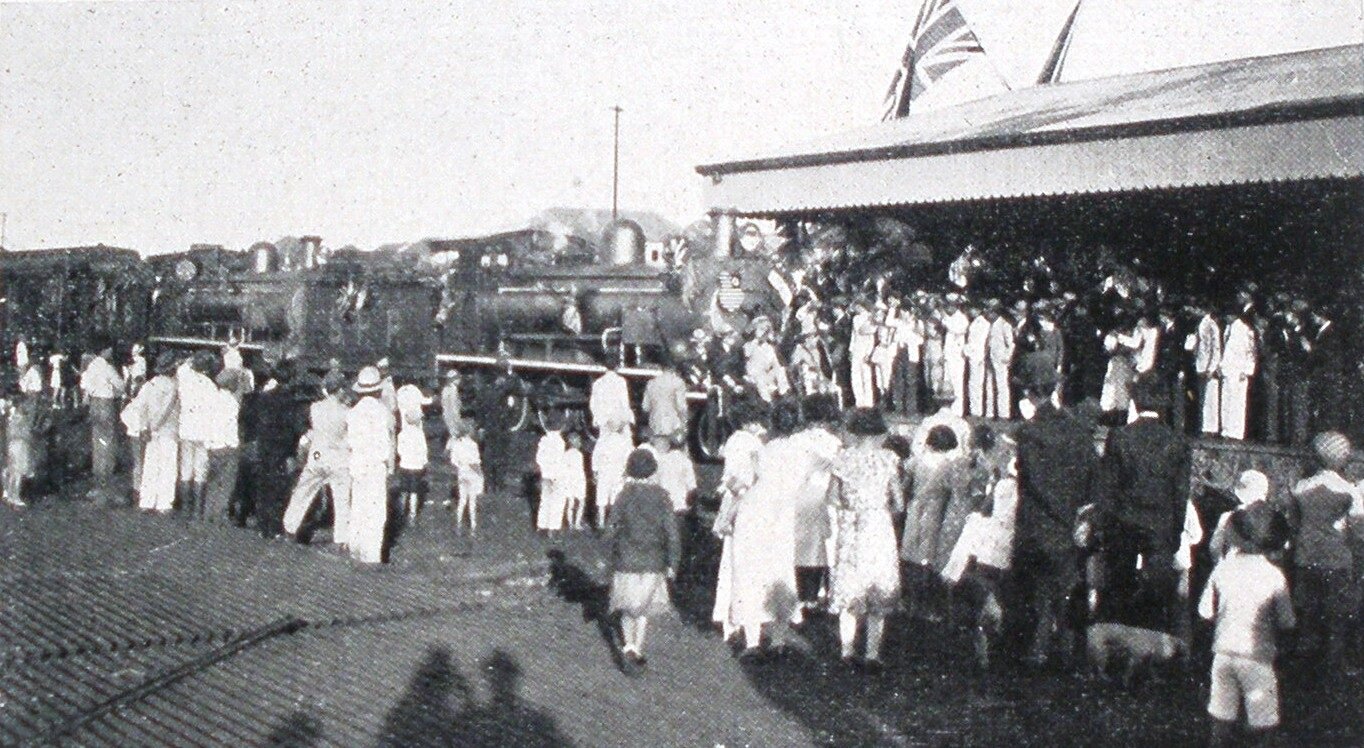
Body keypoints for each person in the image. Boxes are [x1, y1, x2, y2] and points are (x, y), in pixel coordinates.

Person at [1013, 370, 1097, 667]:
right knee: (1065, 589)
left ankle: (1036, 648)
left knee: (1037, 591)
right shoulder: (1077, 431)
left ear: (1029, 394)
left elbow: (1030, 481)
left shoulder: (1028, 431)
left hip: (1038, 523)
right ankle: (1066, 651)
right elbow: (1091, 477)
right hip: (1069, 524)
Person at [1097, 376, 1191, 636]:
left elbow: (1108, 488)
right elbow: (1180, 494)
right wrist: (1175, 533)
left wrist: (1105, 526)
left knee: (1118, 587)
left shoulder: (1120, 437)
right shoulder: (1177, 441)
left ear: (1136, 401)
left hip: (1123, 521)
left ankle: (1118, 644)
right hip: (1160, 524)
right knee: (1157, 593)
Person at [1199, 507, 1294, 748]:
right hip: (1258, 656)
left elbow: (1204, 611)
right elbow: (1287, 621)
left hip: (1223, 653)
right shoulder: (1274, 576)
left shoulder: (1222, 569)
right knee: (1263, 722)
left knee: (1221, 717)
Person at [727, 401, 816, 656]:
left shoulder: (761, 451)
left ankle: (753, 640)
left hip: (756, 513)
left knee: (750, 572)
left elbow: (740, 483)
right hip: (783, 516)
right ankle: (778, 639)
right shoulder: (803, 456)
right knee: (781, 572)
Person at [827, 408, 902, 672]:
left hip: (853, 524)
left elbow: (833, 498)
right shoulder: (888, 460)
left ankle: (847, 649)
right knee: (877, 585)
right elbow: (899, 502)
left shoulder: (844, 459)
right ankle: (872, 653)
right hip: (878, 523)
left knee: (850, 582)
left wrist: (851, 506)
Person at [1287, 431, 1359, 663]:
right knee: (1336, 612)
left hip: (1306, 555)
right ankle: (1334, 660)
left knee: (1308, 610)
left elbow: (1294, 524)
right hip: (1337, 558)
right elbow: (1358, 528)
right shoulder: (1350, 491)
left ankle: (1305, 658)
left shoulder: (1301, 488)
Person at [606, 448, 680, 670]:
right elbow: (672, 533)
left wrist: (610, 543)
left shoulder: (624, 494)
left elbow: (611, 526)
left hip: (626, 559)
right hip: (653, 560)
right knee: (643, 609)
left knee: (627, 606)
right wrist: (673, 562)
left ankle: (627, 645)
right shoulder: (662, 496)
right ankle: (637, 648)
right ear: (653, 471)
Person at [901, 425, 971, 621]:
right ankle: (929, 606)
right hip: (936, 509)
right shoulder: (949, 463)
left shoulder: (917, 460)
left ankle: (912, 603)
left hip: (916, 506)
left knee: (912, 555)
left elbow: (905, 484)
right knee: (929, 557)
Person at [711, 404, 767, 642]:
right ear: (751, 422)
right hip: (747, 503)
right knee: (747, 564)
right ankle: (743, 620)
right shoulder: (753, 444)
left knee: (730, 563)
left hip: (735, 500)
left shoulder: (734, 441)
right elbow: (748, 478)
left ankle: (728, 622)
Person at [282, 371, 351, 545]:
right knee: (342, 500)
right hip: (338, 458)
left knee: (302, 491)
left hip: (317, 454)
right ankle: (341, 538)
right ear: (340, 389)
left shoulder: (315, 408)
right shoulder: (346, 412)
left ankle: (290, 527)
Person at [791, 396, 844, 611]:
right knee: (827, 545)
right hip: (825, 496)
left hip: (800, 496)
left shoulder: (796, 439)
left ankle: (806, 594)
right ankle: (826, 590)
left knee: (803, 544)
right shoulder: (835, 442)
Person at [347, 366, 395, 563]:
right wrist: (391, 467)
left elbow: (350, 443)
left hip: (357, 464)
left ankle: (355, 549)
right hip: (376, 465)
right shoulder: (384, 413)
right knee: (375, 512)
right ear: (378, 390)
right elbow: (389, 442)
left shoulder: (352, 413)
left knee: (358, 507)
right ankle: (371, 555)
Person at [124, 352, 180, 514]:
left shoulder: (150, 385)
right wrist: (155, 426)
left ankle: (146, 501)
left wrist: (144, 427)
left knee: (150, 465)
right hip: (167, 430)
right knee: (167, 467)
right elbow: (166, 409)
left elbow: (140, 407)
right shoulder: (173, 386)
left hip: (149, 431)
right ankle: (164, 503)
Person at [79, 344, 125, 504]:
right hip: (106, 403)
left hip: (94, 404)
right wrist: (117, 391)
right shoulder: (107, 367)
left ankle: (97, 480)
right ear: (105, 349)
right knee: (108, 442)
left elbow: (84, 384)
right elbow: (120, 384)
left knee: (97, 440)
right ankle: (106, 482)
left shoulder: (91, 366)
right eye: (109, 349)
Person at [176, 351, 219, 517]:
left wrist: (189, 360)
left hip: (186, 428)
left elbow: (183, 367)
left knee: (186, 469)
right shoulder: (210, 386)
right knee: (200, 470)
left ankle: (186, 507)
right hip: (203, 431)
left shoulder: (185, 379)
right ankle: (197, 510)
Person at [201, 369, 242, 523]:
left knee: (212, 481)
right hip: (227, 446)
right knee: (226, 484)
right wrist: (233, 444)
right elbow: (230, 426)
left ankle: (208, 513)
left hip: (212, 446)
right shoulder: (231, 402)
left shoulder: (212, 398)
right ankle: (220, 515)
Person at [1218, 309, 1257, 440]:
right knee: (1226, 400)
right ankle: (1226, 429)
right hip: (1228, 369)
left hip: (1239, 370)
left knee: (1237, 401)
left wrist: (1247, 370)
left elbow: (1250, 351)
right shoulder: (1228, 329)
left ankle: (1236, 431)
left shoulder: (1244, 329)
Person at [395, 382, 430, 521]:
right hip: (416, 466)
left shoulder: (402, 434)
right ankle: (413, 513)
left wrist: (402, 457)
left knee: (404, 490)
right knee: (414, 492)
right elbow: (423, 450)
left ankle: (402, 510)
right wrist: (424, 462)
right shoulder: (419, 435)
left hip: (405, 465)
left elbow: (399, 450)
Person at [1187, 303, 1223, 436]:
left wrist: (1212, 367)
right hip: (1200, 364)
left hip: (1208, 366)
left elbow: (1216, 348)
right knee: (1203, 397)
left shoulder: (1211, 325)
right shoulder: (1199, 324)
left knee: (1210, 398)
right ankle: (1204, 426)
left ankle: (1210, 428)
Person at [640, 347, 689, 441]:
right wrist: (684, 426)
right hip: (673, 426)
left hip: (655, 425)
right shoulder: (678, 382)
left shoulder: (651, 383)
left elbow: (645, 407)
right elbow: (681, 407)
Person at [447, 420, 484, 534]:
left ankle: (458, 522)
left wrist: (460, 466)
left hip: (461, 473)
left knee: (462, 499)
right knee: (472, 500)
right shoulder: (473, 445)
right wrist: (480, 474)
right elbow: (475, 462)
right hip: (472, 473)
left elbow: (453, 460)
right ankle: (473, 524)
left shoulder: (457, 444)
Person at [535, 416, 569, 535]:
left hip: (546, 474)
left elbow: (538, 458)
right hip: (557, 474)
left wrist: (544, 469)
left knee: (545, 500)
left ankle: (541, 526)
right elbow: (559, 460)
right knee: (557, 501)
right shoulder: (560, 441)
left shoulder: (544, 440)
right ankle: (553, 528)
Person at [987, 303, 1018, 419]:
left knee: (1002, 386)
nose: (988, 315)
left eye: (991, 312)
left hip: (1001, 359)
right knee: (990, 385)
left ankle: (1003, 413)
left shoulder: (1005, 325)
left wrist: (1007, 357)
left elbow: (1011, 344)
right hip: (991, 357)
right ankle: (990, 412)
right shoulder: (992, 324)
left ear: (996, 313)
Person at [941, 296, 970, 416]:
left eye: (950, 306)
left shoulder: (962, 319)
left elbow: (956, 329)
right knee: (948, 383)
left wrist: (944, 318)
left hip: (957, 357)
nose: (948, 308)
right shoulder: (950, 318)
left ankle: (958, 411)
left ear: (956, 306)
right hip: (949, 356)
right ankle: (949, 410)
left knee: (957, 384)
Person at [848, 301, 878, 408]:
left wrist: (869, 352)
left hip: (865, 348)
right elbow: (856, 334)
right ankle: (859, 401)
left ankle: (868, 402)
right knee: (856, 376)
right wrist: (851, 350)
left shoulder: (871, 318)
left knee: (866, 375)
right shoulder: (856, 318)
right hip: (857, 348)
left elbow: (872, 336)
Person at [964, 303, 991, 418]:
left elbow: (982, 342)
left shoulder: (983, 324)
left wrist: (982, 355)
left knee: (977, 384)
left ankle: (977, 410)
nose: (970, 311)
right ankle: (974, 409)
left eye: (973, 309)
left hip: (978, 355)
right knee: (973, 383)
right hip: (973, 355)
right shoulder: (974, 323)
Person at [561, 432, 588, 530]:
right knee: (581, 501)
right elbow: (580, 469)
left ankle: (571, 523)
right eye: (579, 441)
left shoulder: (565, 454)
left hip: (569, 479)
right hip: (578, 479)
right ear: (576, 442)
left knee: (570, 502)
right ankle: (577, 523)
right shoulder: (579, 454)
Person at [439, 369, 463, 441]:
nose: (459, 380)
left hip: (447, 415)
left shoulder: (446, 389)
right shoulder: (452, 389)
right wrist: (457, 419)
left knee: (452, 435)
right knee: (454, 436)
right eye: (458, 378)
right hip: (452, 416)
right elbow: (453, 405)